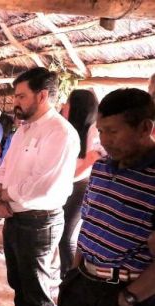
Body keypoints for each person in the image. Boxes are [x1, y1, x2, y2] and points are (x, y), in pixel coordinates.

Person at [46, 88, 155, 306]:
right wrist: (75, 273)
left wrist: (131, 297)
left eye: (114, 131)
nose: (105, 140)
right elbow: (91, 223)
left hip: (126, 293)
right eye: (101, 131)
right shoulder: (103, 167)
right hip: (82, 282)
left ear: (145, 127)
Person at [0, 67, 80, 306]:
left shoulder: (61, 133)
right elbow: (5, 168)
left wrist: (4, 199)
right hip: (15, 217)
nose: (15, 101)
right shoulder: (24, 128)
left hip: (39, 221)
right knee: (19, 285)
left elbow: (45, 186)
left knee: (38, 293)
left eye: (21, 95)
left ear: (42, 96)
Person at [57, 89, 105, 278]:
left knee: (65, 235)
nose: (63, 106)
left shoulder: (93, 130)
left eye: (68, 102)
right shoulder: (70, 129)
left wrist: (62, 178)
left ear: (77, 107)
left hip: (81, 186)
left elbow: (88, 164)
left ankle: (69, 279)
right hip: (69, 183)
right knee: (60, 233)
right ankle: (64, 274)